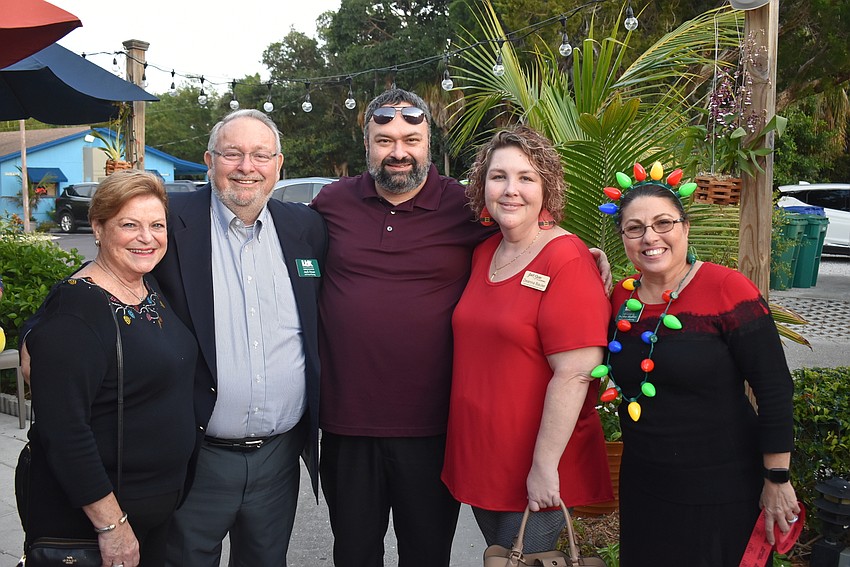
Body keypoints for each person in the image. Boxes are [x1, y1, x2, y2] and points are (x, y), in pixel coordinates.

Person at [312, 89, 611, 566]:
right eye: (384, 140)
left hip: (434, 430)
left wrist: (582, 256)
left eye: (411, 139)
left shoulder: (461, 208)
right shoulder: (332, 203)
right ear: (366, 143)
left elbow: (533, 231)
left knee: (428, 554)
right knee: (353, 552)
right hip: (350, 422)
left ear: (429, 144)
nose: (398, 152)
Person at [151, 109, 327, 566]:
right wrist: (43, 332)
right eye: (232, 153)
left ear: (278, 165)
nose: (247, 166)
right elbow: (110, 269)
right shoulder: (168, 220)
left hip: (278, 459)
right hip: (197, 457)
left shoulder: (305, 228)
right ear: (209, 160)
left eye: (260, 155)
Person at [601, 171, 799, 566]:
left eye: (663, 223)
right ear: (623, 237)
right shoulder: (620, 298)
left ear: (685, 227)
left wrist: (777, 477)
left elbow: (775, 388)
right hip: (646, 485)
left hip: (721, 486)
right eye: (635, 228)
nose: (650, 238)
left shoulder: (727, 289)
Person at [442, 126, 613, 551]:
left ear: (547, 187)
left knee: (523, 559)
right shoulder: (485, 252)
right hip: (484, 457)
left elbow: (575, 373)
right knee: (500, 557)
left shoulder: (567, 258)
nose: (510, 190)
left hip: (540, 463)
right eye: (498, 177)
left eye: (526, 178)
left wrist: (544, 466)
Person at [20, 170, 198, 567]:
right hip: (98, 527)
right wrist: (111, 526)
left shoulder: (146, 285)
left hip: (154, 514)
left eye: (157, 225)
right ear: (98, 228)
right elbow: (64, 433)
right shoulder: (77, 311)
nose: (146, 237)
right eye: (129, 225)